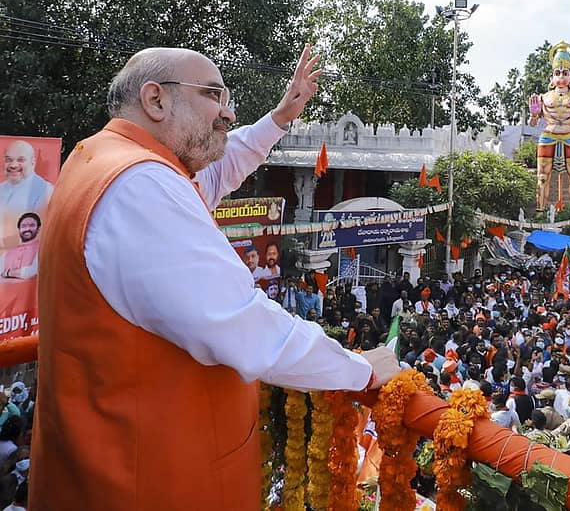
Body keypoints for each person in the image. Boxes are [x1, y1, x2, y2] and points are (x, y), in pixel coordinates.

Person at [31, 45, 400, 510]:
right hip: (145, 481)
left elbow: (224, 166)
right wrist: (360, 370)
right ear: (156, 100)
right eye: (213, 95)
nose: (227, 113)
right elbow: (245, 327)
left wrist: (282, 116)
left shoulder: (104, 158)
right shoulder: (141, 185)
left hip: (105, 464)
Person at [528, 41, 570, 210]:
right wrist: (533, 114)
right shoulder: (543, 97)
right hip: (548, 135)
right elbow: (533, 124)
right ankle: (540, 211)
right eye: (557, 73)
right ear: (551, 78)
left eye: (565, 73)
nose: (561, 76)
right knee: (542, 176)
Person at [0, 140, 54, 250]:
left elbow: (40, 233)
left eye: (21, 160)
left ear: (33, 162)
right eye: (8, 160)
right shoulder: (2, 188)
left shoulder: (45, 191)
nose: (13, 165)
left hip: (27, 261)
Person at [0, 213, 40, 279]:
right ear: (19, 230)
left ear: (38, 229)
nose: (27, 229)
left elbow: (32, 272)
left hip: (31, 288)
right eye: (23, 226)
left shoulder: (42, 249)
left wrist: (8, 272)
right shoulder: (8, 253)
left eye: (32, 225)